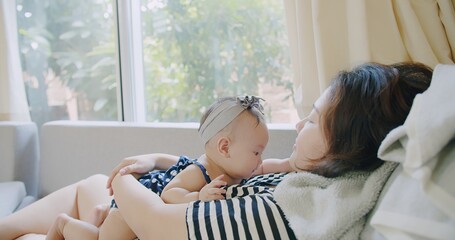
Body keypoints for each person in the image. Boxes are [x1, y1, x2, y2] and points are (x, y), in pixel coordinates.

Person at [0, 62, 432, 240]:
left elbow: (154, 219)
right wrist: (155, 161)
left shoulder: (293, 207)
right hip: (144, 211)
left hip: (144, 221)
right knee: (90, 186)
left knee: (97, 188)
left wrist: (128, 181)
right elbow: (198, 165)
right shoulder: (304, 179)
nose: (299, 125)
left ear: (345, 143)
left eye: (314, 118)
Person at [45, 96, 294, 240]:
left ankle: (98, 213)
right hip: (133, 206)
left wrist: (289, 164)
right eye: (256, 152)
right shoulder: (200, 173)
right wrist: (199, 196)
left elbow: (267, 168)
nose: (261, 160)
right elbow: (170, 194)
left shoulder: (239, 168)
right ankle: (64, 224)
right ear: (225, 147)